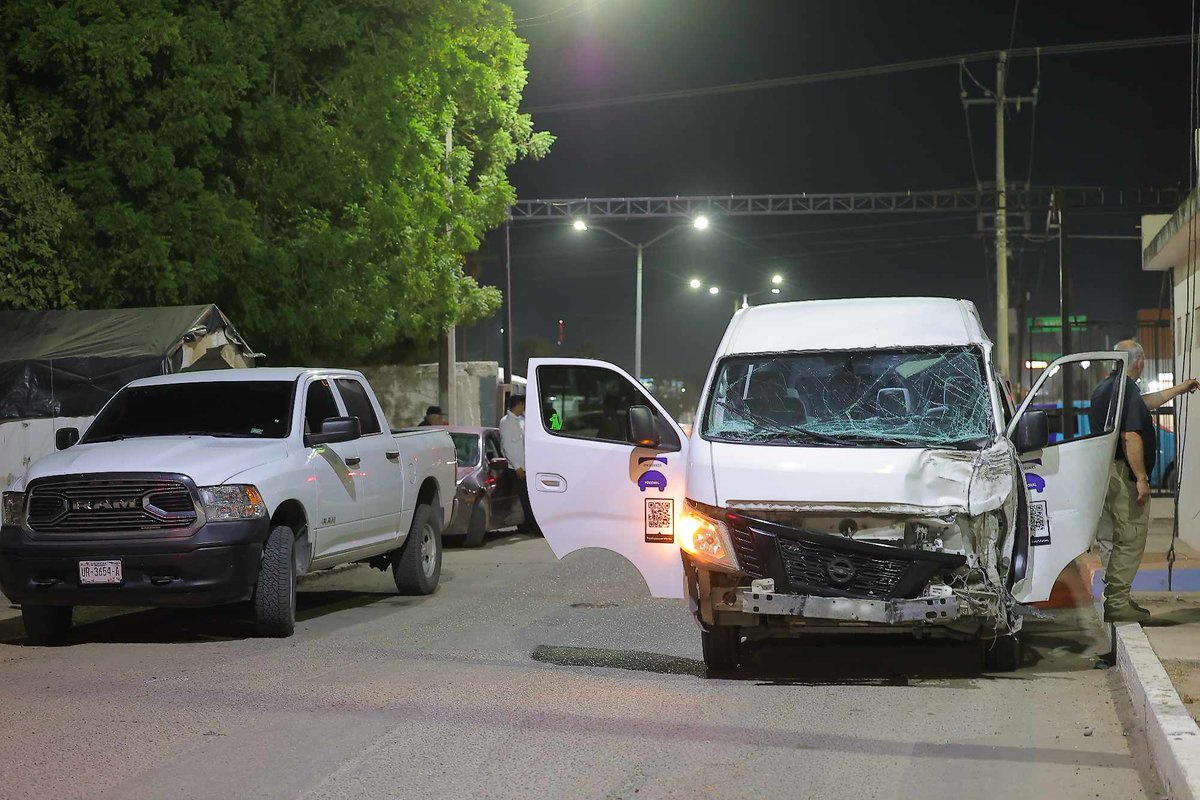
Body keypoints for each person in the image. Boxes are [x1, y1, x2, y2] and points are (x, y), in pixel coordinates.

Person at [1089, 340, 1198, 622]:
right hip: (1122, 474)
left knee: (1111, 538)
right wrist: (1141, 478)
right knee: (1130, 537)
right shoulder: (1126, 389)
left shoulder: (1105, 389)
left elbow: (1144, 403)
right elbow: (1130, 436)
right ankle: (1117, 602)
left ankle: (1115, 597)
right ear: (1138, 362)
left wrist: (1179, 389)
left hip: (1103, 473)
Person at [499, 394, 540, 535]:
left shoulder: (522, 420)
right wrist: (517, 466)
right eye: (524, 404)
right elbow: (507, 448)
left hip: (528, 466)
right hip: (517, 469)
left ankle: (529, 526)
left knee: (530, 499)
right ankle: (533, 528)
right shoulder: (506, 423)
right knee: (525, 500)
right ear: (519, 404)